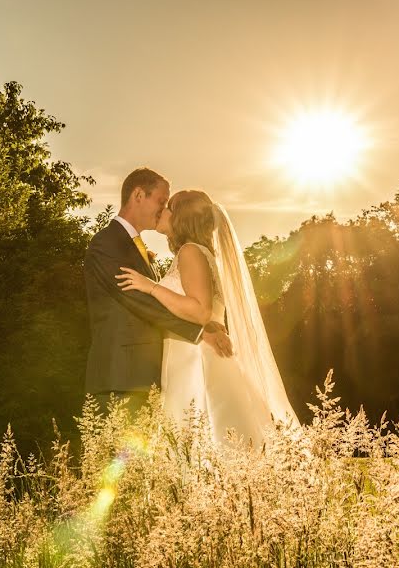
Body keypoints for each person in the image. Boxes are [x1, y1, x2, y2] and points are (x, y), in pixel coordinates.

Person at [116, 189, 300, 447]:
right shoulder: (197, 252)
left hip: (196, 356)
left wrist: (151, 287)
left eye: (169, 207)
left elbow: (200, 311)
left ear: (181, 218)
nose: (162, 211)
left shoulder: (191, 252)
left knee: (203, 432)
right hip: (191, 351)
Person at [84, 169, 232, 416]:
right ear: (139, 195)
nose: (164, 209)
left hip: (147, 376)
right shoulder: (107, 243)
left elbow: (158, 298)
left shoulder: (142, 248)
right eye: (162, 201)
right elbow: (136, 299)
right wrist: (198, 331)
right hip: (121, 377)